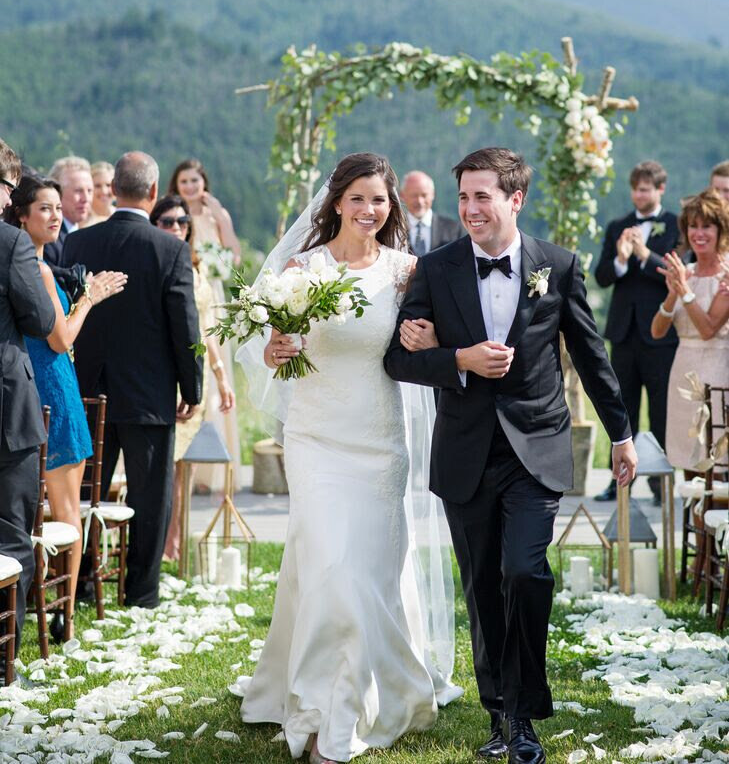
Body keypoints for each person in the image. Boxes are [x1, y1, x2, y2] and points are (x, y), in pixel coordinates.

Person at [385, 146, 637, 764]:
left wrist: (622, 433)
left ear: (515, 199)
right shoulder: (434, 269)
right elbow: (397, 358)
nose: (470, 209)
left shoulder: (557, 263)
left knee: (524, 573)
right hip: (466, 453)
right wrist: (456, 359)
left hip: (537, 447)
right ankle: (501, 718)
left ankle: (524, 717)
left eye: (482, 197)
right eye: (464, 197)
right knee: (482, 588)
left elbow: (590, 352)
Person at [239, 153, 460, 764]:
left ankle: (373, 692)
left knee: (365, 573)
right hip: (315, 438)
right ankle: (320, 715)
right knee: (332, 567)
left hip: (380, 439)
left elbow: (424, 346)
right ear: (335, 202)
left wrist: (430, 339)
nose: (369, 209)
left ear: (393, 208)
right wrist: (276, 347)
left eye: (380, 200)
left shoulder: (405, 272)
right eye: (359, 198)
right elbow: (265, 346)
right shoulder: (300, 268)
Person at [63, 152, 203, 608]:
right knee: (150, 496)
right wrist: (192, 389)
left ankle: (80, 582)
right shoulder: (171, 249)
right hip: (149, 392)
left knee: (86, 495)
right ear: (153, 191)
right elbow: (185, 327)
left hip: (88, 389)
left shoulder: (79, 244)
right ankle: (141, 590)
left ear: (114, 189)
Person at [4, 175, 127, 635]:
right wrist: (89, 299)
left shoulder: (33, 265)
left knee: (55, 509)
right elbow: (62, 337)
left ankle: (57, 608)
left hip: (44, 389)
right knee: (66, 510)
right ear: (21, 216)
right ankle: (64, 617)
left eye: (59, 208)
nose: (56, 216)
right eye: (46, 209)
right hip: (53, 389)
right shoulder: (32, 267)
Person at [149, 193, 235, 561]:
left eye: (181, 222)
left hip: (194, 374)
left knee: (185, 468)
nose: (175, 228)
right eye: (166, 221)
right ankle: (153, 541)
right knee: (163, 468)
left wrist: (220, 376)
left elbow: (206, 328)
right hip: (160, 375)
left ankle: (176, 541)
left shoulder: (195, 267)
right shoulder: (151, 261)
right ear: (154, 224)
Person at [593, 160, 679, 503]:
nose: (638, 195)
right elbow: (601, 276)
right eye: (635, 189)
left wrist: (644, 255)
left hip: (660, 334)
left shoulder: (674, 225)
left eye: (645, 189)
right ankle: (619, 482)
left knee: (661, 409)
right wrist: (621, 259)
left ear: (660, 190)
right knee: (622, 406)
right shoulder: (618, 226)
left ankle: (660, 484)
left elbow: (672, 273)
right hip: (624, 334)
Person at [0, 142, 55, 675]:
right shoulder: (12, 242)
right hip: (5, 408)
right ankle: (3, 656)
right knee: (11, 531)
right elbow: (40, 319)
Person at [168, 157, 242, 492]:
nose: (189, 187)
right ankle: (185, 462)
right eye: (184, 182)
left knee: (215, 373)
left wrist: (222, 219)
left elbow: (234, 255)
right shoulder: (173, 218)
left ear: (203, 183)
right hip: (183, 292)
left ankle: (213, 469)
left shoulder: (215, 214)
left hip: (210, 294)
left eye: (194, 181)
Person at [651, 190, 729, 472]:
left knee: (716, 458)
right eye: (693, 226)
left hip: (717, 371)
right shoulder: (687, 272)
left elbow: (708, 329)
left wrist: (685, 292)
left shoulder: (726, 274)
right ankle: (689, 516)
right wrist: (673, 294)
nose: (699, 233)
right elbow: (657, 331)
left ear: (720, 229)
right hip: (683, 370)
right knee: (686, 460)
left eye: (706, 226)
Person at [43, 156, 94, 265]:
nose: (86, 199)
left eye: (89, 191)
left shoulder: (85, 234)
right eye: (78, 191)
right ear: (56, 193)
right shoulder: (48, 238)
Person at [401, 169, 461, 256]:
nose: (419, 201)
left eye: (424, 195)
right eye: (414, 196)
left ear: (433, 194)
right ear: (402, 196)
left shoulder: (453, 229)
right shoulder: (393, 229)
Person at [85, 160, 116, 225]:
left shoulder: (120, 215)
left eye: (108, 185)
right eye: (97, 186)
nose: (104, 191)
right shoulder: (81, 219)